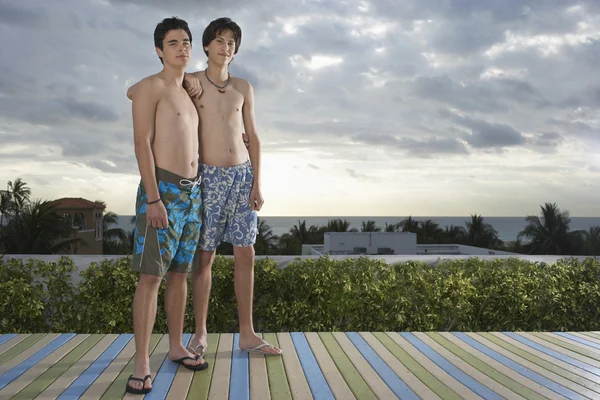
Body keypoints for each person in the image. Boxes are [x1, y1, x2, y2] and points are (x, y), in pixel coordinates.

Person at [183, 17, 282, 356]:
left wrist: (257, 182)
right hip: (207, 178)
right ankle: (199, 333)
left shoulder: (243, 87)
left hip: (242, 176)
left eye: (231, 43)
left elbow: (253, 136)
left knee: (246, 254)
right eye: (219, 40)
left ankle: (247, 334)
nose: (225, 47)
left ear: (235, 51)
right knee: (204, 257)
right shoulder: (191, 81)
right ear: (207, 45)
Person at [125, 16, 207, 395]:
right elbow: (142, 142)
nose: (183, 47)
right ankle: (142, 362)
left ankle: (175, 346)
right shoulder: (149, 87)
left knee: (179, 272)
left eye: (186, 41)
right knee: (151, 278)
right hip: (163, 192)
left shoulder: (188, 93)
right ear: (159, 50)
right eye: (173, 42)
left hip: (193, 195)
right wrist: (154, 198)